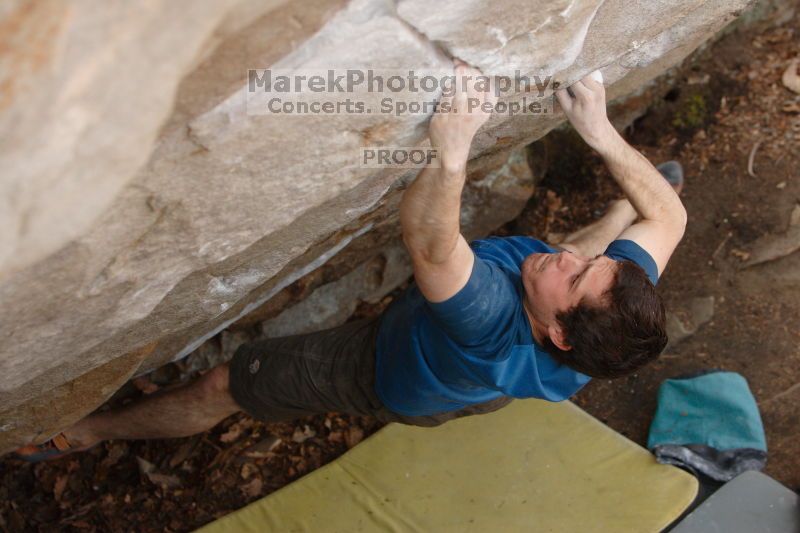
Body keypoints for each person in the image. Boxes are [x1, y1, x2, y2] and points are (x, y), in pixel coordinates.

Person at [18, 61, 686, 460]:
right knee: (592, 239)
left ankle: (95, 431)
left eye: (576, 274)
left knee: (224, 385)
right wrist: (599, 132)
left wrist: (450, 150)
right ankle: (612, 220)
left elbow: (429, 242)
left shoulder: (486, 314)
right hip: (479, 385)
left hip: (387, 371)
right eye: (592, 263)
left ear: (559, 332)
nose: (568, 258)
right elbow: (671, 218)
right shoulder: (611, 323)